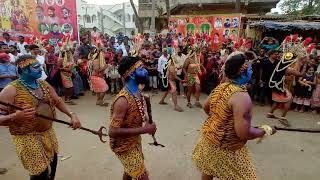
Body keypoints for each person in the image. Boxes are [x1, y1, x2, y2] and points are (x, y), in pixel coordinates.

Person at [192, 52, 276, 180]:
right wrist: (264, 130)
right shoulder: (242, 97)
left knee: (208, 170)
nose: (251, 70)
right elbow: (243, 133)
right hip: (228, 148)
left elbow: (206, 107)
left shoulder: (221, 87)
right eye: (250, 68)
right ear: (243, 72)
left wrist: (221, 121)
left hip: (208, 140)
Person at [0, 55, 81, 180]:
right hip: (27, 138)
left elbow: (58, 101)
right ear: (24, 69)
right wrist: (16, 116)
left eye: (40, 66)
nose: (41, 69)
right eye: (36, 67)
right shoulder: (10, 90)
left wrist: (72, 115)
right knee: (40, 173)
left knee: (52, 167)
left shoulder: (43, 84)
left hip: (48, 134)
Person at [108, 56, 157, 180]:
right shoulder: (122, 101)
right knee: (142, 176)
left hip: (134, 140)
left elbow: (137, 114)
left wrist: (146, 120)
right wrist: (144, 130)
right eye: (140, 68)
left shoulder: (137, 92)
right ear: (132, 74)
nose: (145, 70)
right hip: (123, 146)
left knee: (129, 172)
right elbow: (112, 131)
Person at [268, 44, 308, 125]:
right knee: (289, 100)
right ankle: (283, 117)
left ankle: (270, 113)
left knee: (277, 100)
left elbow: (295, 70)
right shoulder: (287, 68)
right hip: (278, 85)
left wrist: (299, 62)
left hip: (276, 84)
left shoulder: (282, 64)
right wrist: (305, 65)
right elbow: (300, 74)